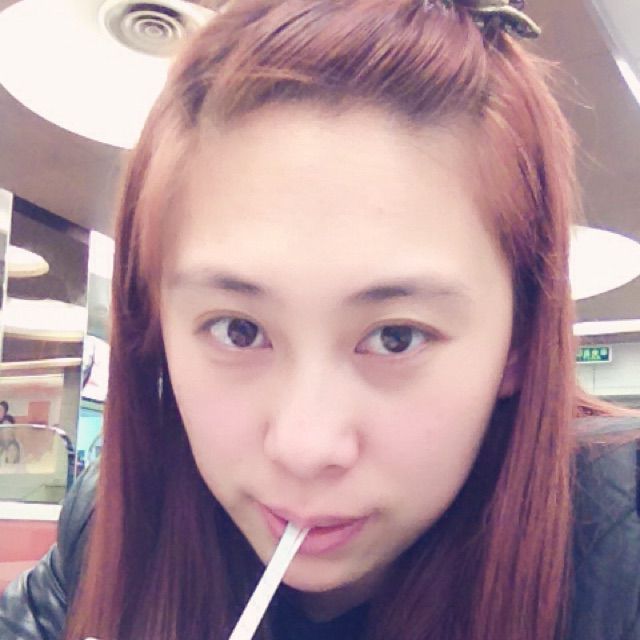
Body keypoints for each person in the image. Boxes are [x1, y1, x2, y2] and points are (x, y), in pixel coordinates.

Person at [1, 0, 639, 638]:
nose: (305, 448)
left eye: (395, 337)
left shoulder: (619, 548)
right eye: (239, 330)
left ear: (518, 344)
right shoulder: (122, 519)